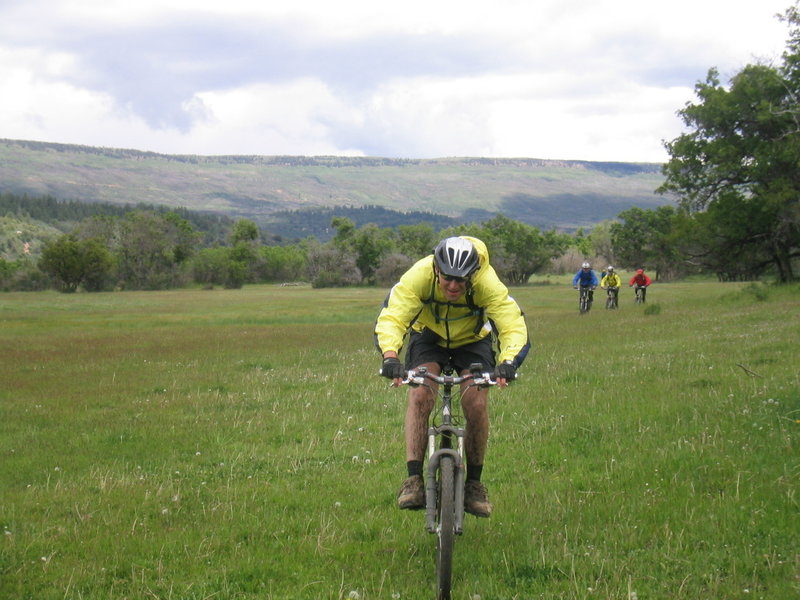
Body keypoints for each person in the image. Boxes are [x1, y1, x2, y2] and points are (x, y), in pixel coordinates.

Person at [374, 236, 530, 518]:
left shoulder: (487, 282)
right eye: (447, 278)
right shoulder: (419, 275)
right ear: (436, 270)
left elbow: (511, 323)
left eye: (462, 279)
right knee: (421, 393)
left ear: (473, 274)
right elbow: (393, 316)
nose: (454, 286)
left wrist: (508, 362)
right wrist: (390, 357)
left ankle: (474, 485)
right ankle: (413, 479)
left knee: (476, 402)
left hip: (472, 341)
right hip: (429, 337)